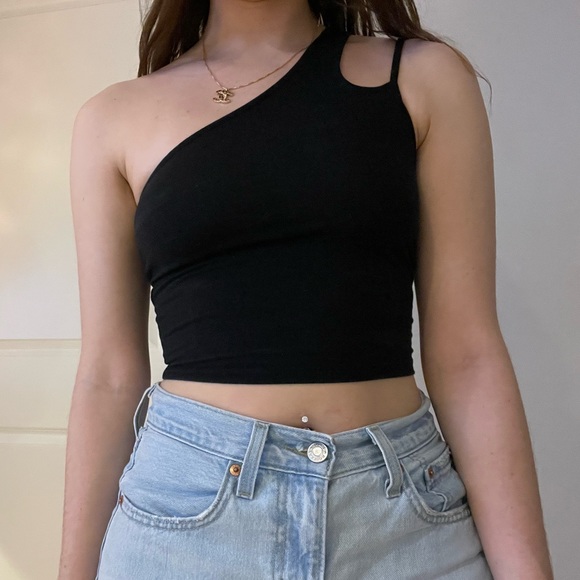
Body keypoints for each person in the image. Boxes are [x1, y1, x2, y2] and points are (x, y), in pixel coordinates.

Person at [59, 1, 554, 579]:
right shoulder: (111, 119)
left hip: (401, 522)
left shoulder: (422, 77)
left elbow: (467, 355)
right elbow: (108, 375)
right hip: (185, 523)